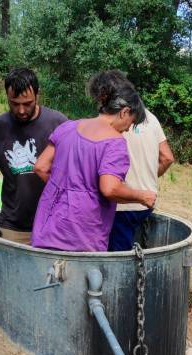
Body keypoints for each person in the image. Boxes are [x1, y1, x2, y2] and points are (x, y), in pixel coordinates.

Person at [31, 71, 157, 252]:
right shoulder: (114, 142)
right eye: (132, 121)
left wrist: (65, 189)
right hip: (83, 234)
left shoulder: (67, 127)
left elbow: (41, 167)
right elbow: (110, 188)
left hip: (49, 228)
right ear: (124, 112)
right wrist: (142, 196)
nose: (128, 128)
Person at [0, 68, 68, 244]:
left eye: (27, 103)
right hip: (14, 225)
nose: (21, 110)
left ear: (38, 95)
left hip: (55, 222)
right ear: (7, 97)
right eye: (14, 103)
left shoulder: (58, 124)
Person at [90, 72, 174, 251]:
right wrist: (148, 178)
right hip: (146, 202)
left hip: (120, 203)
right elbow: (167, 158)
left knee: (114, 258)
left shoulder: (111, 120)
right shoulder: (151, 117)